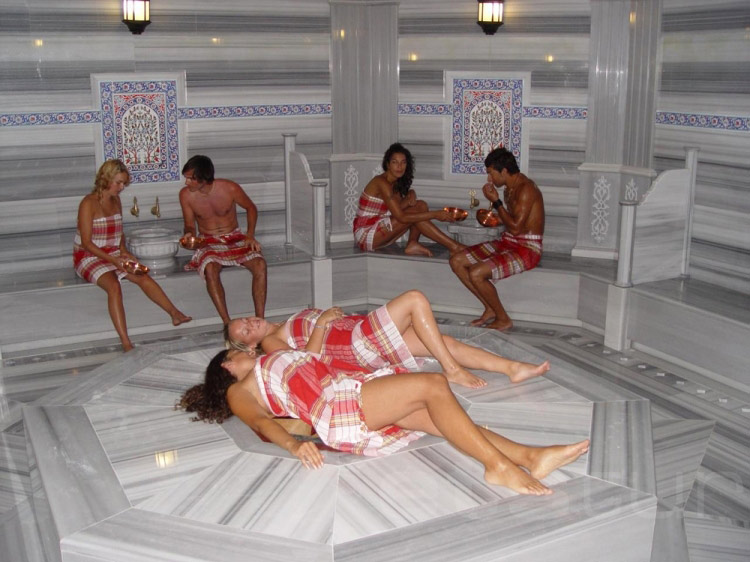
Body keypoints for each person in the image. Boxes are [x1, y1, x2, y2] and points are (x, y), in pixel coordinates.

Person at [179, 347, 590, 495]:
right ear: (227, 365)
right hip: (336, 409)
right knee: (432, 384)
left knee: (446, 419)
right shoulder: (240, 389)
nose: (246, 350)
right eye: (237, 351)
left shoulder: (269, 358)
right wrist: (293, 444)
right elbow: (260, 422)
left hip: (350, 391)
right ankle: (497, 467)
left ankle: (530, 457)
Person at [225, 290, 550, 389]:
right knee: (415, 300)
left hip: (357, 334)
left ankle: (512, 368)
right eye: (245, 330)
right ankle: (452, 371)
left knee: (442, 341)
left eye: (245, 319)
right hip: (353, 345)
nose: (250, 323)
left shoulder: (280, 324)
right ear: (249, 346)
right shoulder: (270, 343)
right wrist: (321, 324)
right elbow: (304, 363)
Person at [73, 159, 192, 352]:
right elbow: (86, 242)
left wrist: (124, 252)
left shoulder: (116, 200)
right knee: (114, 286)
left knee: (142, 276)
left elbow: (119, 232)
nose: (122, 187)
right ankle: (126, 342)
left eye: (124, 183)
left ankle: (175, 314)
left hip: (112, 252)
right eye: (119, 183)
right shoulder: (88, 203)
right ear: (106, 179)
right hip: (88, 256)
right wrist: (114, 260)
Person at [449, 147, 544, 331]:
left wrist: (496, 201)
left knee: (476, 273)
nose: (489, 179)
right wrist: (495, 218)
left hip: (528, 248)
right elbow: (513, 220)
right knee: (456, 261)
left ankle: (503, 319)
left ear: (504, 171)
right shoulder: (510, 187)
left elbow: (516, 228)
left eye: (491, 173)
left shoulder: (526, 189)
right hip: (508, 241)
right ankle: (490, 308)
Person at [179, 155, 268, 324]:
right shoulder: (186, 195)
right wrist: (189, 234)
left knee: (260, 264)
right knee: (210, 268)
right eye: (186, 178)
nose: (186, 182)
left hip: (235, 237)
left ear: (204, 178)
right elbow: (189, 224)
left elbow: (251, 208)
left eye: (190, 178)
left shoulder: (229, 188)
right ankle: (227, 323)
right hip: (208, 240)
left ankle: (260, 320)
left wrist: (250, 235)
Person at [353, 143, 465, 257]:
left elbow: (398, 207)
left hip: (379, 228)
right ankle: (454, 247)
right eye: (395, 162)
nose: (399, 166)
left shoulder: (394, 182)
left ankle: (412, 243)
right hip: (366, 235)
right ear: (387, 164)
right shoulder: (381, 182)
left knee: (421, 205)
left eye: (403, 162)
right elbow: (401, 217)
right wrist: (435, 214)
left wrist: (411, 192)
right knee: (415, 213)